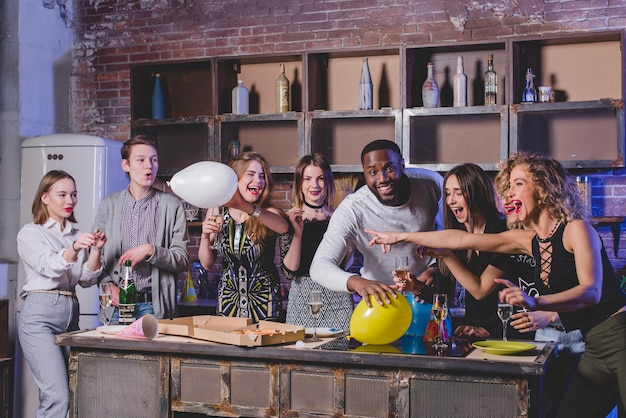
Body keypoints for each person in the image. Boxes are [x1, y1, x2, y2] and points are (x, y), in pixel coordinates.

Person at [367, 153, 626, 417]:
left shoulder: (575, 229)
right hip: (595, 346)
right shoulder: (529, 240)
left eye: (519, 184)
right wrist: (400, 236)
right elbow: (459, 239)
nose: (509, 193)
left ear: (545, 186)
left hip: (620, 336)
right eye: (508, 185)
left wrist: (537, 303)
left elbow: (591, 292)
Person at [310, 139, 443, 306]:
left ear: (402, 165)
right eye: (373, 172)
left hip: (424, 296)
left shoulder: (432, 184)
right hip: (379, 303)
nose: (382, 178)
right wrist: (359, 283)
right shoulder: (354, 208)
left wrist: (434, 268)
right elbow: (319, 266)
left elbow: (451, 236)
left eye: (390, 168)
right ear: (364, 173)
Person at [17, 170, 107, 417]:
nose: (70, 201)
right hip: (40, 315)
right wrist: (74, 249)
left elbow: (86, 279)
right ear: (45, 198)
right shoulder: (31, 233)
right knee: (57, 396)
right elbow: (50, 266)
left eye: (74, 194)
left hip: (70, 315)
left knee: (74, 392)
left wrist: (96, 250)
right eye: (63, 195)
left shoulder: (76, 235)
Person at [94, 134, 189, 322]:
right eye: (141, 160)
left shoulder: (172, 206)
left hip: (154, 307)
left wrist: (150, 250)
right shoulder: (108, 205)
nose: (149, 166)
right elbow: (96, 259)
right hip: (116, 308)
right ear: (126, 165)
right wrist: (106, 285)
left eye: (154, 160)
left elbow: (182, 260)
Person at [199, 151, 289, 322]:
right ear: (235, 178)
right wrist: (205, 235)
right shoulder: (218, 210)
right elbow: (206, 263)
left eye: (262, 176)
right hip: (228, 302)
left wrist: (248, 207)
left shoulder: (267, 213)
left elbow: (283, 227)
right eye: (251, 174)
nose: (258, 181)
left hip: (264, 303)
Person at [279, 154, 354, 331]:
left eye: (320, 179)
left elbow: (344, 266)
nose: (314, 185)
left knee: (339, 353)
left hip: (338, 297)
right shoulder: (290, 219)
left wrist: (351, 243)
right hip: (302, 297)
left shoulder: (339, 218)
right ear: (300, 184)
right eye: (308, 179)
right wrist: (297, 233)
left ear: (328, 183)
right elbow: (289, 272)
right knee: (300, 353)